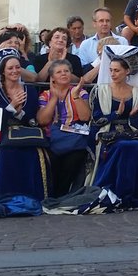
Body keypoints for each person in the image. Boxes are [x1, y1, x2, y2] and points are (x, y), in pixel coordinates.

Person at [0, 48, 51, 208]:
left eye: (17, 67)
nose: (15, 71)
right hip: (2, 137)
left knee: (31, 153)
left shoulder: (29, 90)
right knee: (6, 154)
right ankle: (6, 196)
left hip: (26, 136)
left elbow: (31, 118)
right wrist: (11, 107)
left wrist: (16, 111)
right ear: (2, 71)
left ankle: (31, 197)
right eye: (10, 68)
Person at [86, 45, 138, 207]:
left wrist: (132, 116)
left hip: (130, 131)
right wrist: (115, 114)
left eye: (117, 70)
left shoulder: (136, 92)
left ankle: (132, 192)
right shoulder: (101, 91)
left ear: (127, 71)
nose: (112, 74)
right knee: (124, 146)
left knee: (135, 145)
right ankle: (114, 190)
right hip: (107, 132)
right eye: (111, 70)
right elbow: (96, 119)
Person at [36, 61, 92, 197]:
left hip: (74, 140)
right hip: (51, 139)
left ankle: (61, 197)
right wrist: (54, 98)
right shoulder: (45, 95)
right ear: (52, 77)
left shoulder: (80, 91)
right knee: (51, 160)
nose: (63, 74)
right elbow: (42, 120)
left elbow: (85, 117)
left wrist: (76, 96)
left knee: (73, 159)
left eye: (66, 71)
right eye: (59, 72)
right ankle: (51, 195)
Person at [76, 8, 122, 82]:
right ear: (94, 23)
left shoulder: (122, 41)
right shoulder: (85, 45)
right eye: (101, 21)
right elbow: (83, 72)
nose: (105, 24)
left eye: (107, 21)